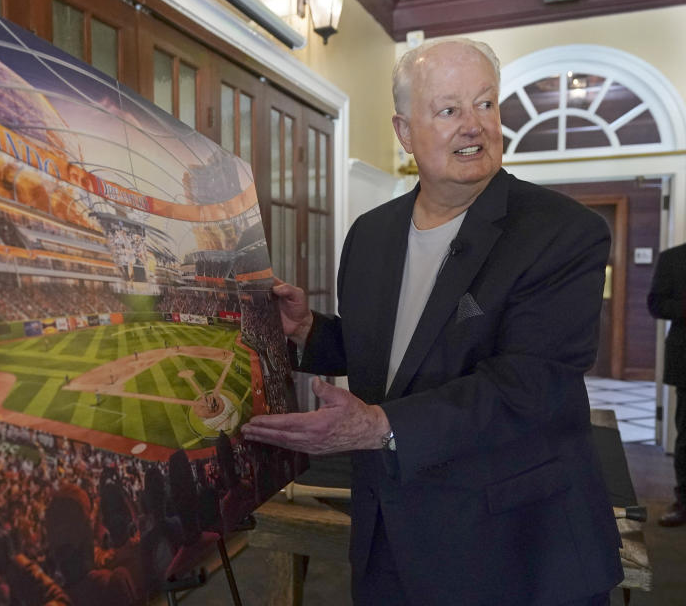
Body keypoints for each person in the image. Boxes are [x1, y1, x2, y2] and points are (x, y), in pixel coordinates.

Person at [242, 38, 622, 606]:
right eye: (449, 110)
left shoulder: (562, 232)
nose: (474, 126)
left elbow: (531, 385)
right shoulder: (371, 234)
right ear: (403, 131)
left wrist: (377, 426)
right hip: (390, 536)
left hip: (514, 548)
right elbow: (401, 353)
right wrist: (308, 331)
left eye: (486, 105)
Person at [647, 242, 686, 526]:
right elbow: (656, 303)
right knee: (685, 435)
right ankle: (683, 502)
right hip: (685, 360)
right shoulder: (673, 258)